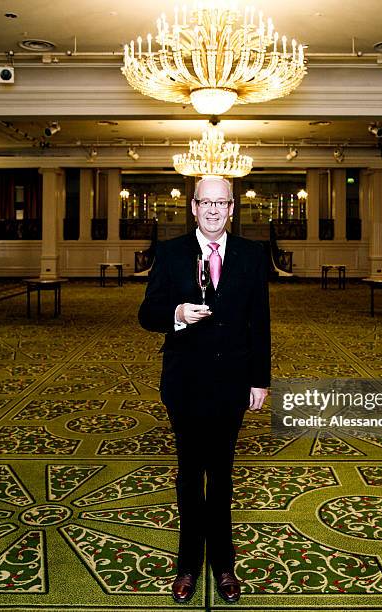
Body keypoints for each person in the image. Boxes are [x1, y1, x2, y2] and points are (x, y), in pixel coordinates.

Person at [138, 176, 271, 604]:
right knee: (190, 476)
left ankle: (224, 564)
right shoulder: (171, 252)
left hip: (232, 384)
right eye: (206, 203)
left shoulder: (252, 254)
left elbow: (260, 323)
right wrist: (176, 312)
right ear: (193, 207)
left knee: (224, 475)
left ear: (232, 208)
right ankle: (187, 565)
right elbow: (147, 313)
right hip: (185, 384)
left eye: (222, 203)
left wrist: (259, 379)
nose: (213, 210)